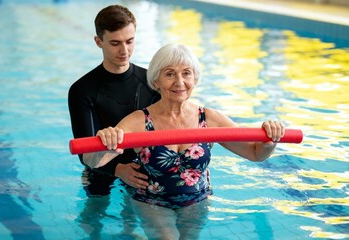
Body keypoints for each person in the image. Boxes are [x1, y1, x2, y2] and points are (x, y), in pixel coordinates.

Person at [83, 43, 286, 239]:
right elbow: (93, 161)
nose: (179, 82)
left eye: (186, 73)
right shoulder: (139, 121)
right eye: (170, 74)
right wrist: (106, 142)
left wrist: (270, 141)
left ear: (195, 78)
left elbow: (256, 153)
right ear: (156, 81)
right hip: (152, 201)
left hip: (197, 201)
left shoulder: (209, 119)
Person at [68, 4, 160, 197]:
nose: (124, 50)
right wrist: (118, 170)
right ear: (98, 41)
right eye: (115, 43)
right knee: (92, 220)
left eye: (130, 41)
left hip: (144, 172)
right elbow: (85, 154)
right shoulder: (82, 90)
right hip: (101, 169)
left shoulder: (151, 82)